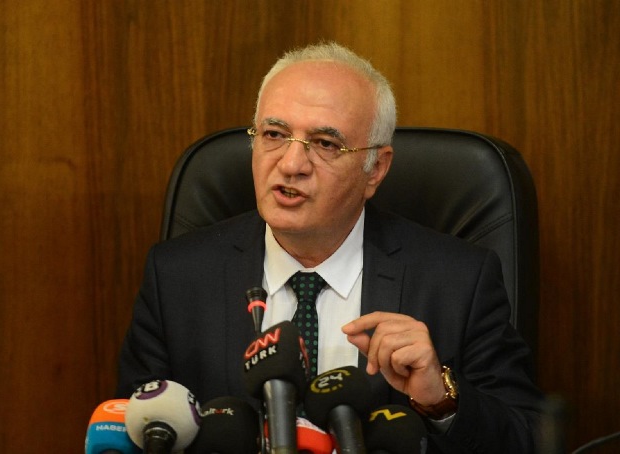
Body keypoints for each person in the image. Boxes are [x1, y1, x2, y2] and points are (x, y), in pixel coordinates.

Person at [116, 42, 543, 452]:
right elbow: (135, 433)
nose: (291, 164)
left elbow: (526, 439)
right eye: (274, 134)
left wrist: (440, 399)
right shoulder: (176, 278)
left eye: (325, 144)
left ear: (376, 169)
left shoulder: (459, 282)